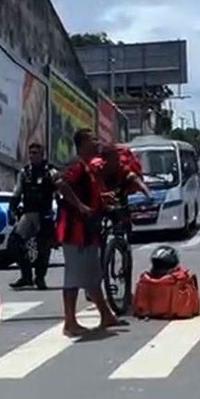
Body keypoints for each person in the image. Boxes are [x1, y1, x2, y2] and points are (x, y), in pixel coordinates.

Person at [57, 129, 127, 337]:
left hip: (88, 231)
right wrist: (80, 206)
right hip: (74, 231)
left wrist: (103, 199)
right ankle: (70, 322)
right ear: (82, 144)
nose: (97, 143)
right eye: (92, 140)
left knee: (92, 275)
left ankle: (105, 314)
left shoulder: (88, 168)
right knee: (74, 276)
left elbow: (88, 193)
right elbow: (62, 184)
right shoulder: (77, 166)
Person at [8, 142, 59, 291]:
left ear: (42, 155)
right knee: (14, 243)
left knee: (44, 248)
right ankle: (26, 276)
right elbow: (17, 193)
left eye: (35, 153)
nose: (32, 156)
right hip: (28, 214)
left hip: (45, 214)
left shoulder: (51, 172)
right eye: (30, 153)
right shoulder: (24, 172)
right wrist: (12, 209)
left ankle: (40, 277)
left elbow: (61, 192)